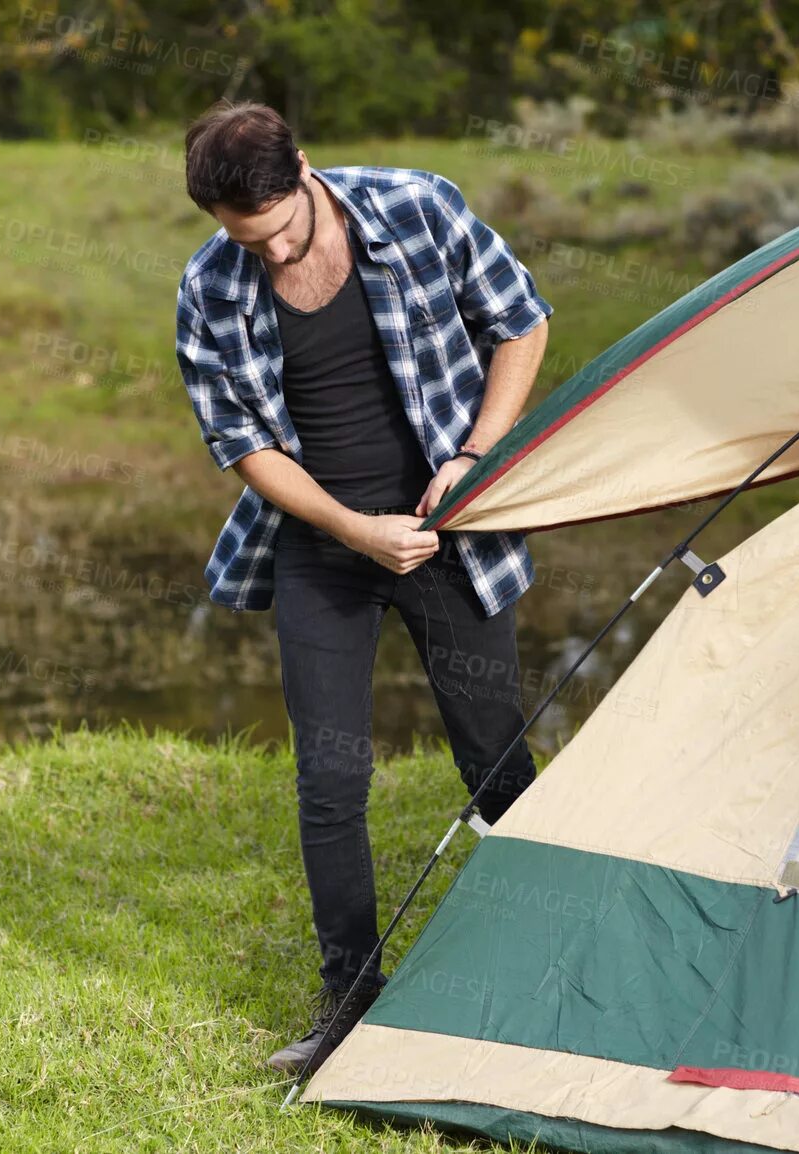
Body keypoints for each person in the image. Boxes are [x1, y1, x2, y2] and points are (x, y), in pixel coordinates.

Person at [174, 101, 551, 1075]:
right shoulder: (212, 285)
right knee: (329, 781)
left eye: (279, 232)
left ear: (303, 170)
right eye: (240, 238)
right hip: (321, 546)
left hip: (447, 534)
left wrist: (474, 454)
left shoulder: (416, 207)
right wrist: (349, 529)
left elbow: (520, 321)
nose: (268, 254)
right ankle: (350, 1000)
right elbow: (245, 444)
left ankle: (553, 963)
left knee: (495, 756)